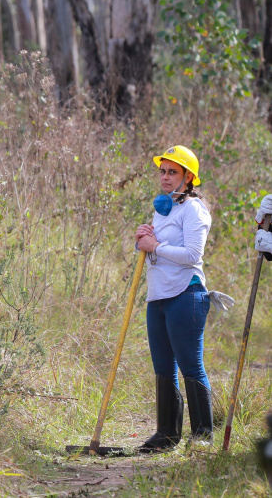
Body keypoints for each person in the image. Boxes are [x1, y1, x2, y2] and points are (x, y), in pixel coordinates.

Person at [133, 145, 214, 452]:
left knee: (190, 366)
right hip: (158, 297)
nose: (165, 177)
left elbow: (193, 254)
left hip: (186, 294)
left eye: (173, 172)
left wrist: (155, 246)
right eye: (163, 171)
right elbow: (155, 248)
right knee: (163, 367)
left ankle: (202, 438)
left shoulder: (194, 209)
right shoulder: (164, 207)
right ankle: (166, 435)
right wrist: (143, 240)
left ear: (188, 177)